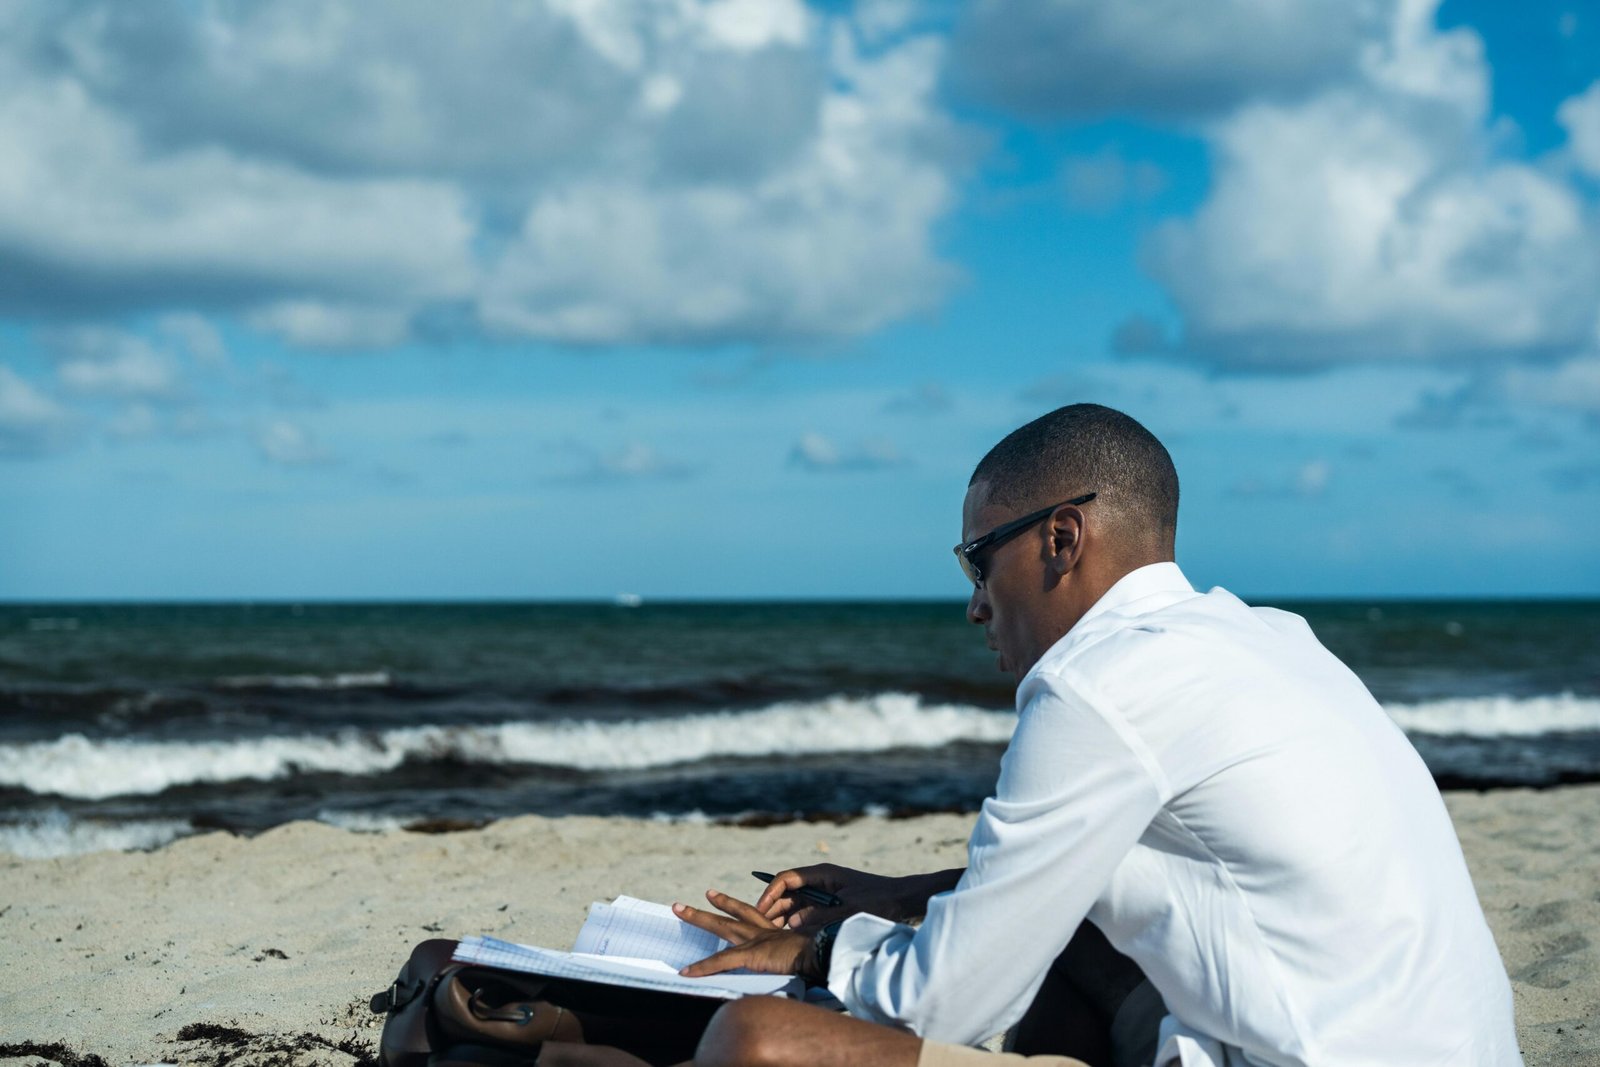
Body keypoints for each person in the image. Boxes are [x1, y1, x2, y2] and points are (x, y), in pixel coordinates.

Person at [636, 404, 1521, 1067]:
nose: (976, 602)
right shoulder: (1271, 639)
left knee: (755, 1039)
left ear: (1061, 537)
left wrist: (822, 948)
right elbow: (1154, 872)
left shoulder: (1095, 685)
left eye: (977, 560)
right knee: (1075, 941)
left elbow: (944, 1003)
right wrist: (902, 892)